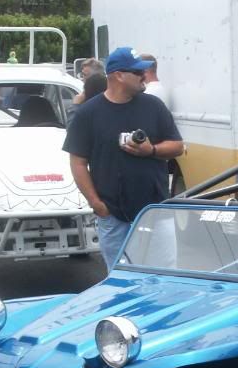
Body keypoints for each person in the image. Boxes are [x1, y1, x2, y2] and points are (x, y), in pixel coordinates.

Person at [64, 46, 184, 271]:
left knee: (164, 279)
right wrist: (97, 204)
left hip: (156, 210)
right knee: (120, 282)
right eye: (138, 72)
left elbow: (177, 146)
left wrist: (152, 150)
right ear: (118, 75)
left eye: (145, 72)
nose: (144, 76)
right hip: (113, 216)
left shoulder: (153, 106)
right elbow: (78, 162)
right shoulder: (88, 113)